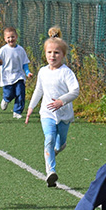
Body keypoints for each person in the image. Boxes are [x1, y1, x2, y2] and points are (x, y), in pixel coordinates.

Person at [25, 36, 79, 187]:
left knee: (59, 144)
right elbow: (38, 90)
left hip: (64, 115)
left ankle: (57, 148)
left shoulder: (66, 72)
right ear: (45, 54)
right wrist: (31, 108)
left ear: (63, 55)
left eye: (56, 52)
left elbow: (75, 90)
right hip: (47, 113)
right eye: (49, 52)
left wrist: (62, 101)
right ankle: (51, 172)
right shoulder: (43, 72)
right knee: (49, 138)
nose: (52, 56)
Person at [0, 27, 32, 119]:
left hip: (19, 76)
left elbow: (24, 63)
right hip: (7, 77)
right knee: (9, 94)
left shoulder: (21, 50)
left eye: (12, 37)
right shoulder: (2, 50)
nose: (10, 39)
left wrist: (27, 72)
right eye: (8, 37)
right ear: (5, 39)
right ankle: (6, 99)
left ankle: (17, 111)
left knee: (20, 92)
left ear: (16, 37)